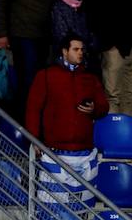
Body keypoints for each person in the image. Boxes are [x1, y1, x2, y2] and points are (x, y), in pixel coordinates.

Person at [25, 33, 109, 204]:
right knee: (53, 208)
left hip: (84, 152)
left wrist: (95, 109)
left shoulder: (90, 78)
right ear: (64, 51)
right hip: (55, 154)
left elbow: (104, 107)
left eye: (82, 50)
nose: (80, 53)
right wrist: (34, 138)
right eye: (76, 49)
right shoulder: (46, 75)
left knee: (83, 208)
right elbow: (33, 109)